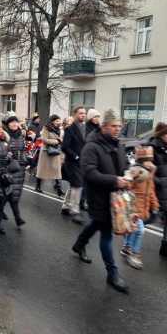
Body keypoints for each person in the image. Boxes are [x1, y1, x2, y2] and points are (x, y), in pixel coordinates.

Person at [72, 109, 129, 294]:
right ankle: (112, 273)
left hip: (115, 197)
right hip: (98, 196)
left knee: (96, 223)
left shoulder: (118, 145)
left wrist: (130, 174)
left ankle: (79, 244)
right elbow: (89, 172)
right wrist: (114, 180)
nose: (117, 129)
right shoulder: (91, 146)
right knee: (106, 233)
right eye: (114, 126)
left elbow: (124, 166)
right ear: (104, 126)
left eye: (119, 126)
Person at [120, 146, 159, 270]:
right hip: (133, 208)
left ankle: (127, 248)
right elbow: (126, 186)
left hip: (142, 208)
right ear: (142, 160)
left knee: (133, 229)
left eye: (151, 160)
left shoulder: (149, 174)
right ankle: (134, 254)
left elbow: (151, 191)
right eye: (147, 160)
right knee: (139, 230)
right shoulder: (135, 170)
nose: (150, 163)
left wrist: (155, 205)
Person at [61, 106, 87, 224]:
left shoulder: (85, 128)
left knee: (74, 185)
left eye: (84, 113)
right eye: (81, 113)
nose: (83, 115)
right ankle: (75, 210)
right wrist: (75, 156)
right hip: (72, 161)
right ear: (75, 114)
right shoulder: (70, 129)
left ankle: (66, 206)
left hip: (82, 161)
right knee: (78, 185)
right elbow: (64, 147)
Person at [3, 114, 27, 226]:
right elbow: (2, 152)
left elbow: (23, 151)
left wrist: (27, 160)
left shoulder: (21, 136)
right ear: (8, 124)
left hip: (20, 168)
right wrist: (8, 157)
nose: (14, 124)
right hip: (9, 168)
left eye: (16, 122)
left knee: (14, 194)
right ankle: (17, 218)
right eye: (12, 122)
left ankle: (17, 218)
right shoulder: (4, 135)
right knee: (8, 193)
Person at [149, 122, 167, 257]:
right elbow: (146, 171)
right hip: (157, 188)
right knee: (147, 217)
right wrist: (160, 182)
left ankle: (165, 246)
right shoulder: (152, 147)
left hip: (165, 188)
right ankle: (129, 242)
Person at [36, 115, 64, 196]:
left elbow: (60, 140)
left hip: (56, 152)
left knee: (57, 170)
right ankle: (38, 186)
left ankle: (59, 189)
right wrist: (56, 141)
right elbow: (44, 140)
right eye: (57, 121)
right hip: (46, 152)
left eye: (59, 120)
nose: (59, 122)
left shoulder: (59, 129)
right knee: (42, 170)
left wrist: (60, 141)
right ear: (52, 121)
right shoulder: (46, 128)